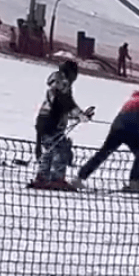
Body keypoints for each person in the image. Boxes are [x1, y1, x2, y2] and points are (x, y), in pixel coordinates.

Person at [72, 82, 139, 193]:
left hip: (117, 127)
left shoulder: (136, 97)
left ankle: (80, 177)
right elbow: (136, 121)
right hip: (129, 129)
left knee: (103, 153)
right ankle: (135, 182)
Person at [30, 60, 93, 190]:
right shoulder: (61, 82)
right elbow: (65, 102)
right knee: (61, 149)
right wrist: (79, 114)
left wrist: (79, 115)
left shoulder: (59, 82)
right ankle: (57, 179)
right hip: (50, 123)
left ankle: (42, 177)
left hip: (45, 120)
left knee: (49, 150)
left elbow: (62, 107)